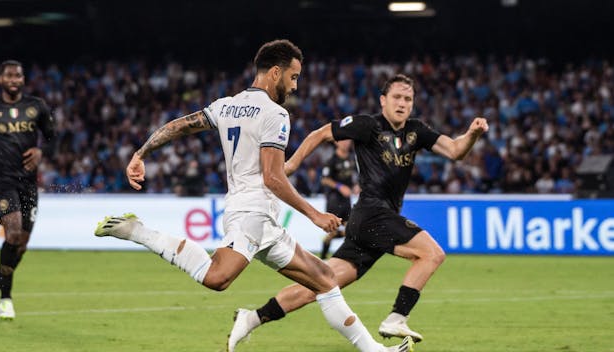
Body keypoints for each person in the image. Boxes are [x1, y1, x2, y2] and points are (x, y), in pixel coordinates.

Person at [94, 40, 411, 352]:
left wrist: (141, 152)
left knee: (325, 279)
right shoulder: (275, 114)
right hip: (251, 214)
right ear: (275, 73)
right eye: (294, 77)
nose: (296, 86)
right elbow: (273, 178)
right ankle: (137, 231)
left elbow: (180, 126)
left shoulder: (225, 105)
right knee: (217, 278)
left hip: (261, 219)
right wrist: (314, 215)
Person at [228, 74, 488, 347]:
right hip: (372, 214)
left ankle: (252, 318)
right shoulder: (368, 125)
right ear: (383, 101)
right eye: (397, 97)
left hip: (372, 221)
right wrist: (290, 166)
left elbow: (456, 150)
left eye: (407, 99)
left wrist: (472, 134)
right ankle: (397, 318)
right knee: (432, 254)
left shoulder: (416, 131)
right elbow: (322, 133)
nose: (402, 103)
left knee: (321, 284)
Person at [0, 60, 56, 320]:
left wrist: (42, 151)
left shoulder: (36, 106)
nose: (14, 79)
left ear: (22, 79)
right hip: (2, 181)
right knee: (14, 231)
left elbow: (53, 137)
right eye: (9, 75)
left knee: (21, 245)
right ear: (0, 79)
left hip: (29, 184)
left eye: (18, 76)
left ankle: (1, 295)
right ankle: (5, 299)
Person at [319, 139, 358, 259]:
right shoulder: (331, 161)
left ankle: (350, 258)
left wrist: (356, 185)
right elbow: (324, 179)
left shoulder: (352, 159)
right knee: (333, 231)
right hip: (334, 201)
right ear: (336, 143)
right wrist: (339, 186)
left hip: (346, 201)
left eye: (348, 141)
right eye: (343, 141)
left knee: (352, 230)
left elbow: (356, 176)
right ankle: (324, 257)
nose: (346, 143)